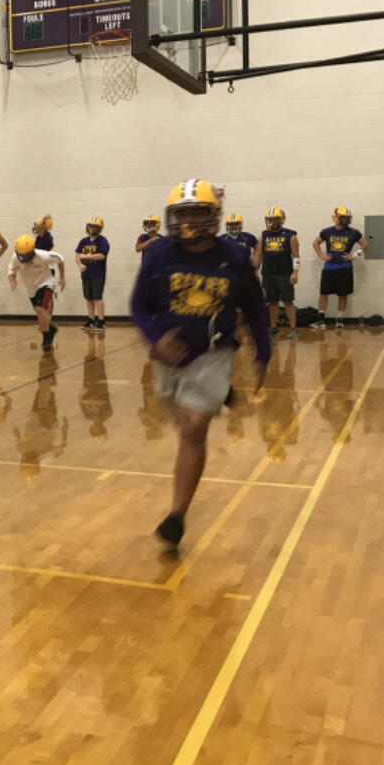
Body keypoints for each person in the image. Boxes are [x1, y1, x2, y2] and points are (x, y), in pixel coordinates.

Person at [131, 179, 271, 550]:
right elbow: (139, 305)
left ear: (214, 216)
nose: (188, 220)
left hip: (214, 350)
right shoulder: (160, 254)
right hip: (169, 355)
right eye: (182, 213)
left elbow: (255, 306)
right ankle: (218, 392)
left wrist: (263, 351)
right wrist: (154, 337)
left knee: (193, 427)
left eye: (197, 212)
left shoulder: (235, 257)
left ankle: (176, 516)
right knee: (178, 416)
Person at [7, 233, 65, 352]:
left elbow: (60, 259)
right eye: (21, 255)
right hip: (31, 288)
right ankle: (51, 329)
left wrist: (62, 277)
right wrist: (12, 281)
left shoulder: (43, 256)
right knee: (40, 314)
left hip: (46, 283)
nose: (23, 258)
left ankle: (46, 338)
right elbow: (12, 270)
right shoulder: (15, 257)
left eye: (27, 255)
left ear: (32, 251)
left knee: (40, 308)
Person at [312, 206, 366, 329]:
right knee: (323, 293)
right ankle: (321, 320)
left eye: (347, 218)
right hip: (329, 267)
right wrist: (321, 256)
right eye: (343, 217)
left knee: (342, 294)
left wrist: (354, 256)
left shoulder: (353, 232)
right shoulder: (327, 231)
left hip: (344, 267)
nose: (346, 220)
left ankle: (340, 318)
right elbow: (315, 243)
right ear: (336, 218)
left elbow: (364, 244)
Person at [253, 207, 300, 339]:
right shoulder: (263, 235)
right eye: (269, 220)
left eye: (274, 220)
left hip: (284, 274)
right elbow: (258, 256)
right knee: (272, 302)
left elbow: (296, 257)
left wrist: (295, 273)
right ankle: (273, 327)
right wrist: (253, 272)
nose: (271, 223)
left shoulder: (290, 235)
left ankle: (292, 328)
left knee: (288, 301)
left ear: (281, 220)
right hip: (268, 273)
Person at [75, 216, 110, 331]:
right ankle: (91, 319)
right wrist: (80, 265)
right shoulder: (83, 241)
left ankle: (101, 321)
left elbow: (101, 255)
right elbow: (77, 256)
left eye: (95, 227)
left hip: (98, 274)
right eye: (91, 226)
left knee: (97, 297)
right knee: (88, 298)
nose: (92, 228)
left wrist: (87, 256)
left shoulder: (103, 241)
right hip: (86, 274)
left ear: (99, 228)